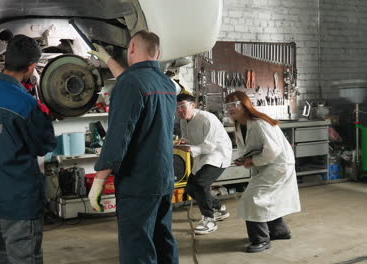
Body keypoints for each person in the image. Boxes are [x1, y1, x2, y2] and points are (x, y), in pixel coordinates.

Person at [87, 30, 178, 264]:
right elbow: (134, 82)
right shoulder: (166, 83)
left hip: (138, 183)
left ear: (132, 49)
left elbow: (118, 138)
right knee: (162, 241)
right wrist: (108, 60)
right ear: (158, 53)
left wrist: (98, 181)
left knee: (137, 248)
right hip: (163, 179)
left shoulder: (130, 83)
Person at [0, 34, 57, 264]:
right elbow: (45, 145)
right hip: (20, 199)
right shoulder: (26, 104)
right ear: (31, 66)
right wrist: (45, 116)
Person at [224, 91, 300, 253]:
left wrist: (252, 161)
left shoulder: (259, 122)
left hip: (278, 165)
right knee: (266, 199)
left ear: (245, 105)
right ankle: (280, 231)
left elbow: (273, 150)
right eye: (227, 105)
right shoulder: (239, 124)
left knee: (252, 199)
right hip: (266, 165)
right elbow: (247, 148)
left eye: (234, 104)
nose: (230, 108)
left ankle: (261, 240)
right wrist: (244, 159)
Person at [175, 93, 233, 235]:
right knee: (190, 189)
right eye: (177, 108)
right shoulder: (183, 121)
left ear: (193, 105)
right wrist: (183, 142)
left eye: (182, 106)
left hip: (218, 154)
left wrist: (189, 148)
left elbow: (210, 146)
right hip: (202, 155)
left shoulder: (207, 119)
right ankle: (219, 209)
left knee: (201, 183)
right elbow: (186, 138)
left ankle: (209, 219)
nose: (179, 111)